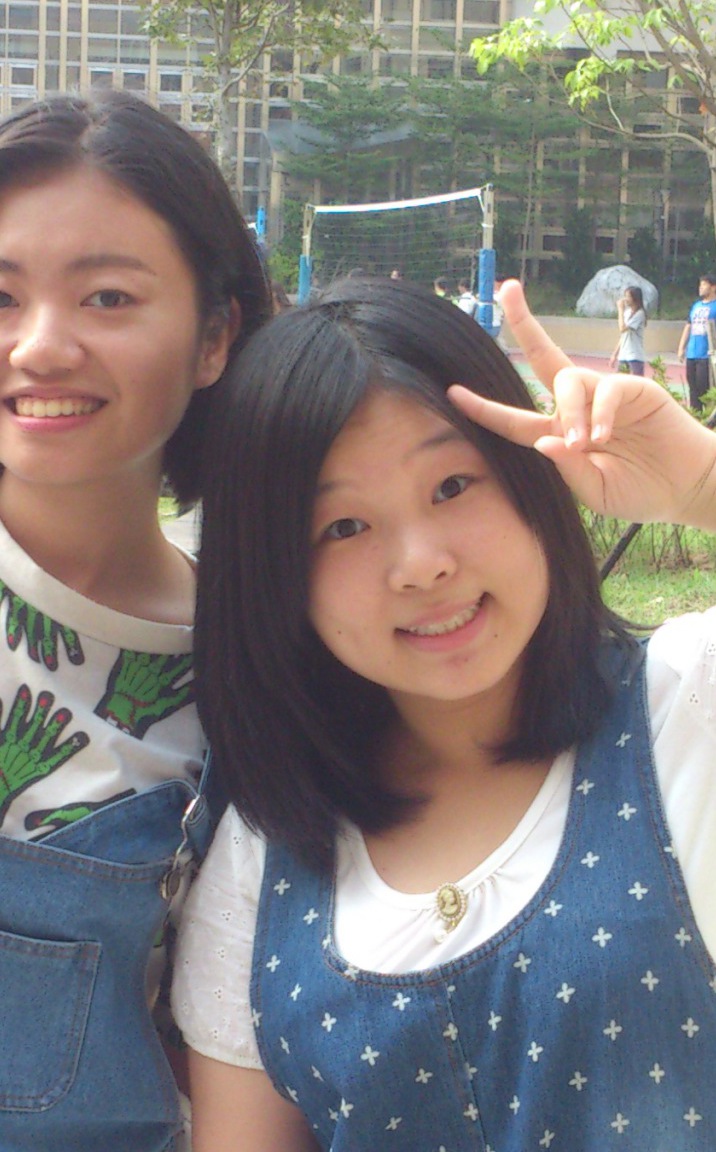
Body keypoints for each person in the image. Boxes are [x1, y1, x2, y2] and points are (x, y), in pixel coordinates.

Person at [174, 276, 716, 1150]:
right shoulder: (264, 854)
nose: (421, 564)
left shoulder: (686, 709)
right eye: (343, 528)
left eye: (453, 484)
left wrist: (704, 484)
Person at [0, 90, 270, 1151]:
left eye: (107, 297)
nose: (39, 347)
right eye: (2, 295)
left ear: (214, 337)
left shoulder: (269, 655)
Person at [677, 272, 716, 409]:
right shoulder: (696, 305)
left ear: (713, 287)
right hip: (692, 353)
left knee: (704, 388)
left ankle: (709, 416)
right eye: (700, 285)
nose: (700, 287)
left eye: (704, 285)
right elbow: (688, 326)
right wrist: (681, 348)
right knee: (693, 389)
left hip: (706, 355)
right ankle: (696, 415)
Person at [609, 284, 646, 376]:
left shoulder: (640, 314)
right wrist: (615, 354)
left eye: (628, 296)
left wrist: (620, 309)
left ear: (635, 298)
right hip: (623, 355)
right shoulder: (627, 313)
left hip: (634, 356)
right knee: (621, 381)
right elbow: (623, 336)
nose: (625, 299)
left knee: (636, 381)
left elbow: (622, 328)